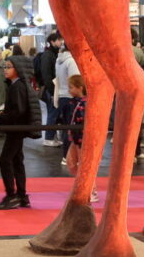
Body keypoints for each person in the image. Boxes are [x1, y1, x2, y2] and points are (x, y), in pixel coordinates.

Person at [0, 55, 36, 210]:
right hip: (16, 128)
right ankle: (21, 195)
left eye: (8, 67)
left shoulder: (17, 87)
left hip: (16, 128)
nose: (5, 70)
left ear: (17, 69)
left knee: (5, 160)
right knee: (17, 161)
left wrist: (1, 117)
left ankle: (12, 195)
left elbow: (18, 111)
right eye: (5, 67)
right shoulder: (17, 85)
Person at [65, 74, 97, 203]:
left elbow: (85, 123)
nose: (69, 90)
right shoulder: (76, 102)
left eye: (71, 87)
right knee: (71, 162)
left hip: (82, 140)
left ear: (80, 87)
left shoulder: (85, 103)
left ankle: (90, 190)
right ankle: (83, 186)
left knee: (85, 166)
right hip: (76, 139)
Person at [55, 45, 80, 158]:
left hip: (62, 96)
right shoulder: (71, 61)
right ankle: (68, 156)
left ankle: (66, 155)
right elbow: (75, 80)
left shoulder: (59, 60)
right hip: (70, 98)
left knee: (66, 128)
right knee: (71, 129)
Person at [42, 33, 64, 146]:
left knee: (54, 113)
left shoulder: (55, 54)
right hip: (51, 90)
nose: (61, 42)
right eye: (59, 40)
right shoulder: (48, 55)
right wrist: (52, 92)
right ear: (52, 41)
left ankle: (52, 137)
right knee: (52, 113)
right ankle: (49, 138)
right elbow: (47, 75)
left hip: (55, 89)